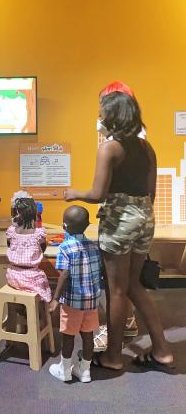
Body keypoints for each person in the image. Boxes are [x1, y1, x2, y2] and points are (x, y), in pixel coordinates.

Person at [65, 81, 174, 372]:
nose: (99, 118)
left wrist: (73, 193)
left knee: (115, 290)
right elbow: (151, 193)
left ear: (113, 115)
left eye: (102, 112)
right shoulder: (147, 148)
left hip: (119, 220)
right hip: (145, 219)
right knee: (133, 285)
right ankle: (162, 350)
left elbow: (98, 194)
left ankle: (113, 356)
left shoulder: (109, 149)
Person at [49, 206, 102, 383]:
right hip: (92, 301)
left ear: (64, 226)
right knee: (88, 336)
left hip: (73, 301)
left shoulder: (65, 247)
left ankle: (64, 370)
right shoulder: (94, 246)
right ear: (87, 225)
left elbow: (64, 274)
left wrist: (56, 298)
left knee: (68, 336)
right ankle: (85, 371)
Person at [6, 197, 52, 305]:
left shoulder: (11, 231)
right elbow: (43, 249)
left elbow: (9, 245)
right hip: (32, 278)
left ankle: (22, 312)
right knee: (44, 289)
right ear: (35, 213)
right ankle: (38, 315)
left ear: (17, 214)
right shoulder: (39, 233)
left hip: (12, 276)